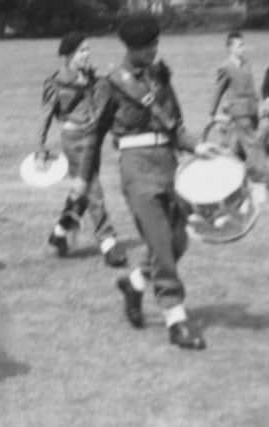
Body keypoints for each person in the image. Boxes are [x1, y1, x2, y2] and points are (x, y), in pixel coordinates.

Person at [89, 13, 221, 350]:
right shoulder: (112, 83)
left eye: (155, 44)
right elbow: (95, 134)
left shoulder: (162, 76)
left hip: (169, 166)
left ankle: (134, 283)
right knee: (161, 242)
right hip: (136, 170)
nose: (153, 51)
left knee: (177, 242)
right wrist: (81, 178)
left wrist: (197, 145)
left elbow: (174, 124)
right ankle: (176, 320)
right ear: (131, 48)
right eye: (147, 47)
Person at [38, 32, 127, 267]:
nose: (87, 54)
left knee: (83, 190)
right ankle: (108, 243)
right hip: (74, 140)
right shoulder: (56, 82)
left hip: (93, 139)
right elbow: (45, 117)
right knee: (93, 189)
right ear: (69, 55)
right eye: (82, 51)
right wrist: (40, 148)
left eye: (88, 50)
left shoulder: (91, 78)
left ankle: (59, 234)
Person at [209, 31, 265, 181]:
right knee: (252, 144)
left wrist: (258, 105)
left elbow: (252, 87)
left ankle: (228, 173)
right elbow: (218, 90)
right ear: (231, 48)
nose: (243, 48)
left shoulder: (247, 63)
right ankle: (261, 177)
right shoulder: (225, 67)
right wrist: (212, 112)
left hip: (252, 110)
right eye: (240, 45)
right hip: (239, 112)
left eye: (243, 45)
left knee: (238, 146)